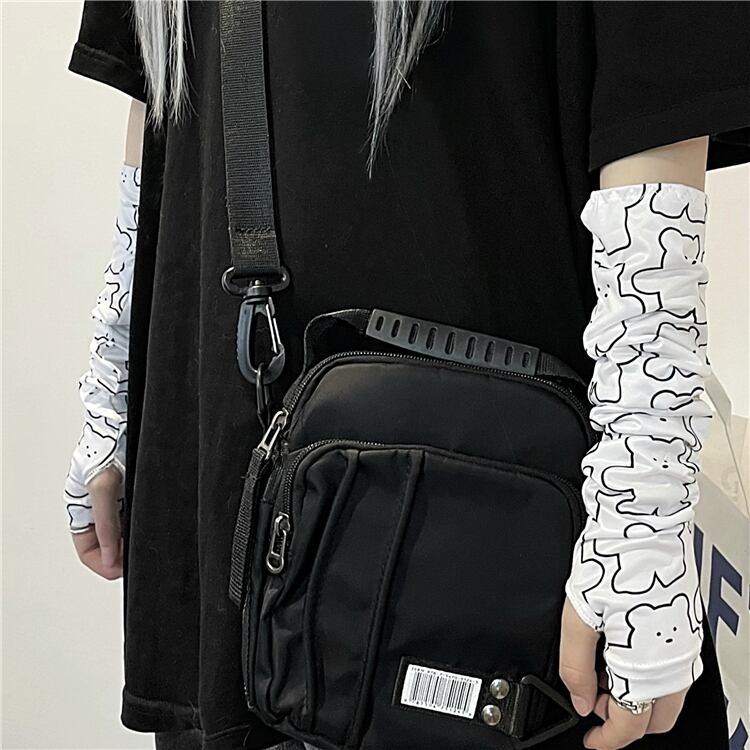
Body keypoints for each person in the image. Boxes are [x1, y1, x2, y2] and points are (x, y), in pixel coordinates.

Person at [64, 2, 750, 749]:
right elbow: (161, 83)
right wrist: (116, 381)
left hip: (487, 502)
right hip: (224, 448)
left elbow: (655, 118)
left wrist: (642, 509)